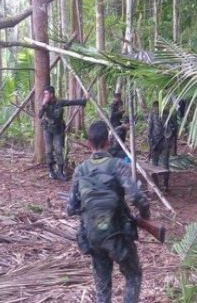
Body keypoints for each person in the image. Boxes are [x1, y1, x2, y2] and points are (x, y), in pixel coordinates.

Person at [66, 120, 150, 303]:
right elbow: (137, 197)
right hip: (118, 234)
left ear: (88, 144)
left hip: (93, 236)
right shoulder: (118, 165)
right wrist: (144, 218)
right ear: (108, 142)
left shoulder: (80, 170)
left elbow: (70, 208)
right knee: (133, 276)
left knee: (103, 287)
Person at [38, 85, 86, 181]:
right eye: (44, 94)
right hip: (47, 130)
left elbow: (69, 104)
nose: (45, 96)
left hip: (57, 130)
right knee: (48, 151)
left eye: (46, 94)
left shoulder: (59, 103)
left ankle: (60, 172)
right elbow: (39, 115)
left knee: (58, 150)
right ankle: (51, 171)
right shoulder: (44, 104)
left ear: (51, 94)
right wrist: (43, 106)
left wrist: (83, 101)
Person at [147, 101, 172, 191]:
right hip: (165, 142)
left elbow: (149, 130)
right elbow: (173, 127)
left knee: (154, 164)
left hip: (156, 142)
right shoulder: (167, 113)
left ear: (154, 107)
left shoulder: (152, 114)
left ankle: (156, 186)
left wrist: (151, 144)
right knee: (165, 164)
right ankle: (165, 185)